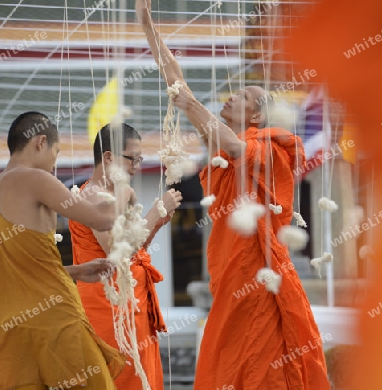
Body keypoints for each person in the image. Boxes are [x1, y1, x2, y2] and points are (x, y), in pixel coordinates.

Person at [136, 1, 331, 389]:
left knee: (266, 361)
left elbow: (239, 148)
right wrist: (147, 24)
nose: (229, 97)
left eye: (241, 96)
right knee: (229, 357)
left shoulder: (270, 146)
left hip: (260, 271)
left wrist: (191, 104)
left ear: (256, 115)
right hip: (228, 271)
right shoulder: (221, 145)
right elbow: (178, 83)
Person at [0, 112, 131, 390]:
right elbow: (101, 218)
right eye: (56, 152)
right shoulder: (35, 179)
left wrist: (74, 271)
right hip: (55, 322)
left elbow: (16, 274)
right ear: (40, 142)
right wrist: (125, 190)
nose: (55, 163)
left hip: (8, 330)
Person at [69, 123, 183, 390]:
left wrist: (155, 224)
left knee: (140, 374)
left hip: (129, 301)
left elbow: (134, 252)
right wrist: (154, 215)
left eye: (139, 159)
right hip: (110, 305)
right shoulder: (96, 198)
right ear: (108, 157)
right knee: (123, 376)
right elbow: (116, 251)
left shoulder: (112, 196)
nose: (136, 166)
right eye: (132, 158)